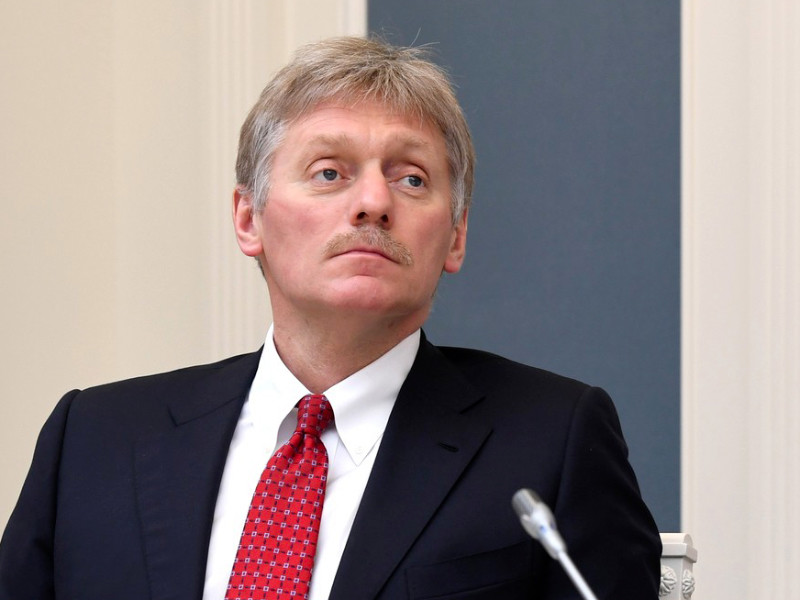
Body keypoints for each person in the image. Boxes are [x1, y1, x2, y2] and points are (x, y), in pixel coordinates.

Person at [0, 36, 661, 599]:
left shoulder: (551, 443)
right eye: (328, 173)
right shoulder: (94, 440)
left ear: (455, 237)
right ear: (248, 218)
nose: (374, 202)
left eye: (411, 179)